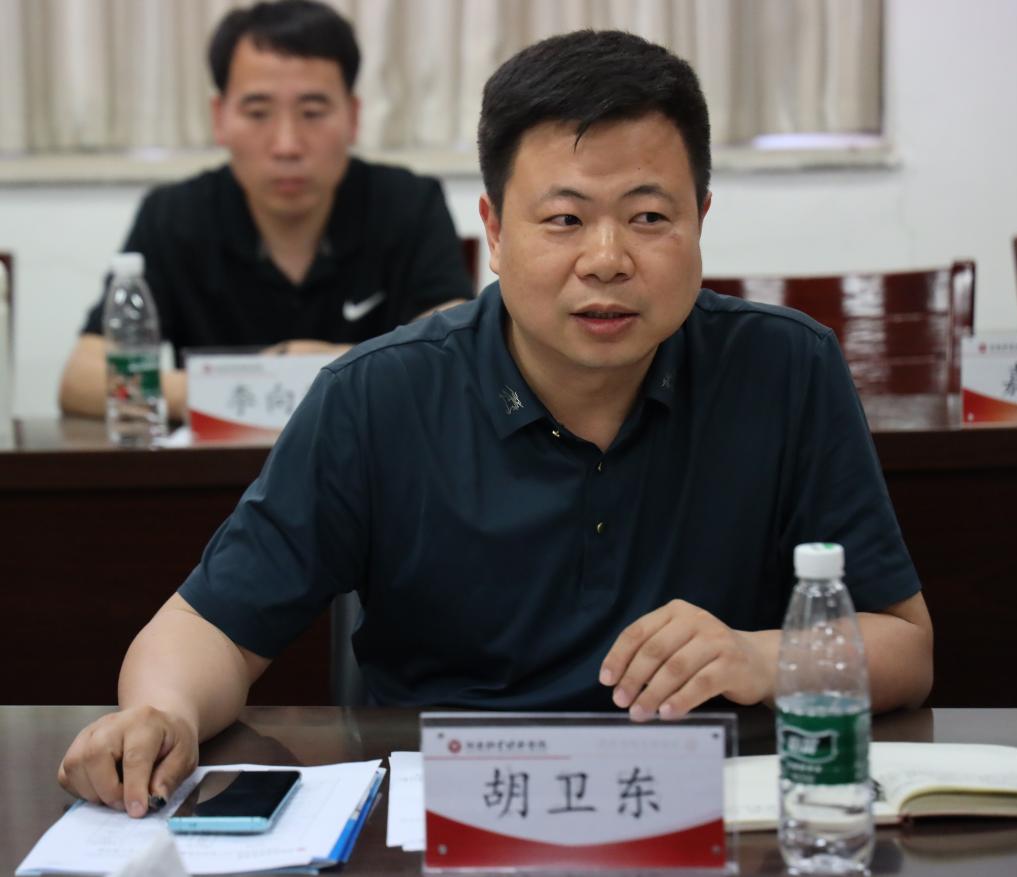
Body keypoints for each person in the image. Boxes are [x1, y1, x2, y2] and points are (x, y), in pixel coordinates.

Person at [58, 29, 933, 817]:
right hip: (446, 817)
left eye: (648, 217)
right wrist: (161, 712)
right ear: (495, 229)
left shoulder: (786, 369)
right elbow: (207, 627)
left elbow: (904, 645)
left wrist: (760, 656)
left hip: (704, 815)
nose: (606, 259)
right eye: (564, 219)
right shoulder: (378, 395)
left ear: (700, 219)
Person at [58, 0, 471, 422]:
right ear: (220, 118)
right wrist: (240, 387)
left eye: (313, 112)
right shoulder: (172, 216)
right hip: (221, 462)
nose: (287, 145)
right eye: (258, 113)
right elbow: (81, 378)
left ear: (352, 117)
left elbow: (458, 356)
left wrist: (327, 371)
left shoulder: (409, 203)